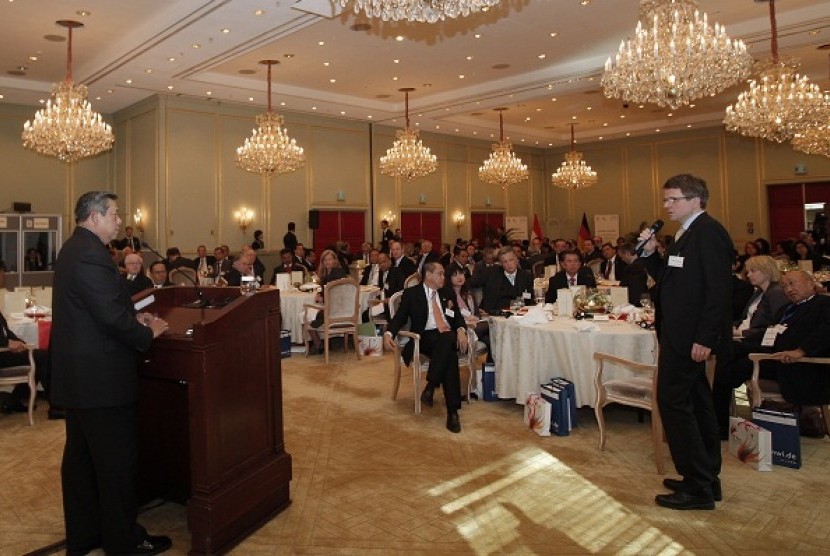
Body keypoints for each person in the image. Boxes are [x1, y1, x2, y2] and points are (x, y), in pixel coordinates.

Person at [50, 191, 171, 555]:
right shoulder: (90, 255)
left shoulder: (75, 250)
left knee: (83, 465)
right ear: (95, 217)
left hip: (81, 382)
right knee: (115, 466)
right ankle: (123, 542)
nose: (120, 221)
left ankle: (86, 537)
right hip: (101, 383)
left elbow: (97, 311)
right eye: (115, 215)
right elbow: (109, 317)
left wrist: (135, 316)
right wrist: (147, 332)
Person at [639, 174, 733, 511]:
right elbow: (670, 279)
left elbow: (718, 292)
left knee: (673, 403)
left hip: (691, 337)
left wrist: (705, 338)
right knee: (697, 404)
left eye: (673, 199)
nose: (666, 206)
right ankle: (707, 477)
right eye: (666, 200)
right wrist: (650, 255)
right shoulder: (686, 234)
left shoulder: (708, 234)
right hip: (679, 335)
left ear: (696, 199)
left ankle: (696, 487)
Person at [713, 270, 830, 434]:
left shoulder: (823, 304)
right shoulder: (787, 309)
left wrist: (801, 351)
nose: (788, 289)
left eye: (792, 283)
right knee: (728, 350)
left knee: (736, 367)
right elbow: (770, 332)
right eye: (784, 286)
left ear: (810, 283)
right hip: (772, 352)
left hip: (795, 363)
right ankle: (717, 418)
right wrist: (744, 340)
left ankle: (720, 424)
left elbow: (826, 332)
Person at [384, 262, 468, 433]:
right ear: (429, 275)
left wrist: (461, 330)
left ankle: (439, 396)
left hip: (446, 337)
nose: (444, 277)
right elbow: (399, 318)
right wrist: (388, 334)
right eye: (441, 274)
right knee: (449, 343)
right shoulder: (411, 294)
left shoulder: (447, 292)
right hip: (423, 337)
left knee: (449, 347)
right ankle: (449, 408)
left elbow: (457, 316)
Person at [712, 255, 789, 438]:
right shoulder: (758, 293)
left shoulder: (775, 293)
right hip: (746, 341)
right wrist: (734, 328)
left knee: (724, 364)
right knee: (723, 365)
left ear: (767, 271)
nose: (749, 274)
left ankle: (719, 423)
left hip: (761, 346)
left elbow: (775, 329)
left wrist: (742, 333)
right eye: (748, 271)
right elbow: (747, 319)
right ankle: (718, 421)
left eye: (754, 271)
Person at [307, 249, 349, 354]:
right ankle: (320, 344)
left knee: (307, 316)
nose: (327, 262)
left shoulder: (337, 272)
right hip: (330, 306)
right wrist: (320, 294)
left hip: (337, 308)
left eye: (330, 259)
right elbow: (325, 289)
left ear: (335, 260)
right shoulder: (326, 273)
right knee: (308, 314)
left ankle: (318, 345)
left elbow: (338, 294)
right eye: (325, 260)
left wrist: (323, 298)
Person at [472, 246, 534, 314]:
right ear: (501, 264)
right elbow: (471, 284)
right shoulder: (491, 274)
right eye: (505, 262)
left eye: (511, 260)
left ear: (516, 259)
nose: (509, 264)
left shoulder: (526, 275)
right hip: (497, 314)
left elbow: (529, 297)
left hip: (520, 314)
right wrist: (475, 308)